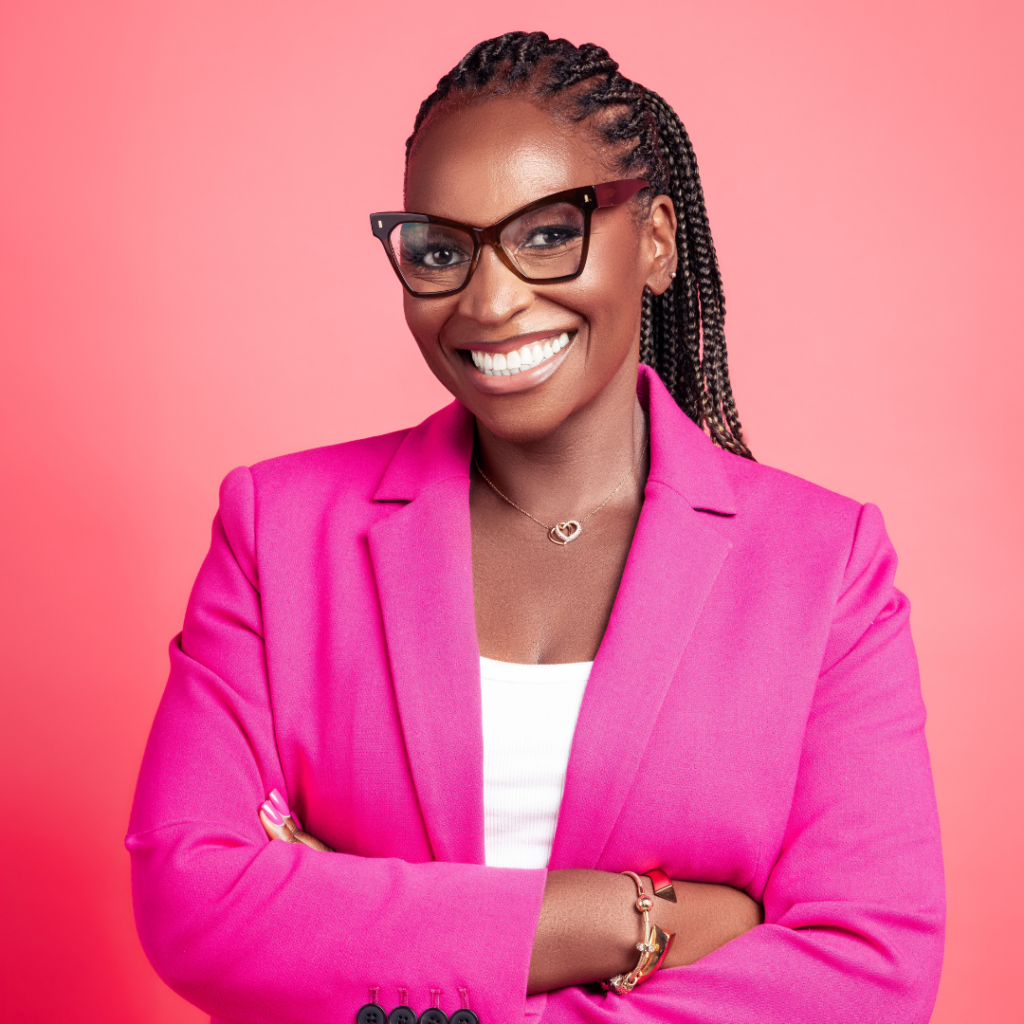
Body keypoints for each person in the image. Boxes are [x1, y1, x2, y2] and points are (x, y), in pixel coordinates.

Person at [127, 31, 945, 1024]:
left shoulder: (822, 568)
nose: (490, 299)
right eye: (440, 247)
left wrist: (355, 932)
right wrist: (627, 916)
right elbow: (194, 901)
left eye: (547, 232)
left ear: (653, 242)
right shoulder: (278, 532)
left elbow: (867, 975)